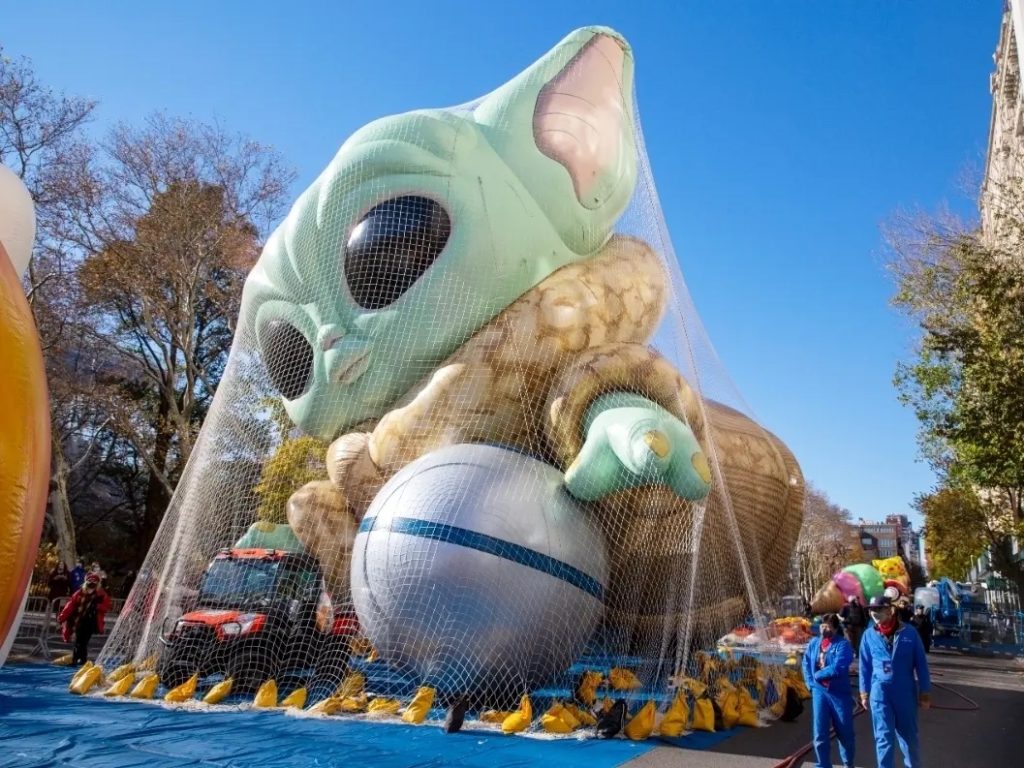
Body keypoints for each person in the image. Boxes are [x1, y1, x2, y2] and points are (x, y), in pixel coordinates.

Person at [860, 595, 931, 768]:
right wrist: (864, 692)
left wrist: (925, 692)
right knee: (883, 738)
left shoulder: (909, 633)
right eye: (872, 610)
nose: (875, 613)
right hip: (880, 693)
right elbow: (864, 666)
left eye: (879, 609)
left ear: (890, 610)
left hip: (904, 692)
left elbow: (921, 664)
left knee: (908, 738)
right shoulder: (869, 635)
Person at [802, 613, 855, 768]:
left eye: (828, 626)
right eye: (822, 626)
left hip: (839, 694)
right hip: (819, 693)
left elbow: (838, 667)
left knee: (845, 732)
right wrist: (810, 683)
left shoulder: (843, 645)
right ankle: (823, 764)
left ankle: (848, 763)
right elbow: (805, 663)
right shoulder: (813, 643)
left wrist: (818, 675)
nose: (825, 629)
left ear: (835, 628)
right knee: (820, 733)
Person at [58, 573, 112, 665]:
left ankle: (81, 660)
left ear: (97, 583)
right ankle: (77, 659)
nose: (92, 583)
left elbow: (107, 606)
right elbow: (70, 605)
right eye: (90, 581)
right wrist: (62, 616)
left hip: (91, 621)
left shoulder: (101, 595)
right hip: (79, 620)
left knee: (83, 641)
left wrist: (98, 606)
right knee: (78, 640)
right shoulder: (79, 593)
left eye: (94, 582)